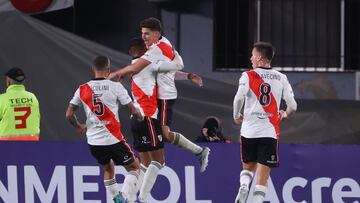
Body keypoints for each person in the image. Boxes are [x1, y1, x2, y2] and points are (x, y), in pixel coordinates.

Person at [109, 17, 210, 174]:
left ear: (156, 33)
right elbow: (166, 70)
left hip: (164, 98)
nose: (144, 37)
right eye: (142, 33)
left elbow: (136, 67)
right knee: (161, 143)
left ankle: (199, 151)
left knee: (164, 138)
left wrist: (116, 73)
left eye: (147, 34)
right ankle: (199, 152)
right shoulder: (155, 46)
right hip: (158, 99)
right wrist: (188, 75)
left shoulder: (158, 48)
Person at [65, 56, 143, 203]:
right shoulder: (116, 87)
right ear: (108, 69)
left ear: (93, 69)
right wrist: (140, 118)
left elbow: (69, 114)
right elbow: (134, 111)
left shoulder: (82, 89)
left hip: (94, 142)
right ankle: (124, 197)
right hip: (113, 139)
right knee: (135, 167)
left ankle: (116, 199)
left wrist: (78, 126)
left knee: (108, 168)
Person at [233, 42, 297, 203]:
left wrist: (236, 114)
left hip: (249, 130)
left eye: (253, 55)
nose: (250, 58)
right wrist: (284, 114)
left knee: (248, 168)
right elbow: (293, 106)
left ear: (260, 58)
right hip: (269, 132)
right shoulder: (282, 77)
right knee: (263, 178)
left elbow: (239, 97)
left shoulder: (248, 75)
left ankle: (244, 185)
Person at [0, 67, 40, 140]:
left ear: (8, 81)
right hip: (31, 145)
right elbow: (37, 119)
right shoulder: (33, 97)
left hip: (8, 147)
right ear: (23, 81)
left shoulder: (2, 99)